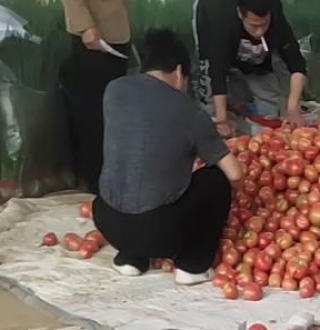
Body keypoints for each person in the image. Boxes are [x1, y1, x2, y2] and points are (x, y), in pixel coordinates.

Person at [94, 28, 241, 284]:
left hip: (106, 220)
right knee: (215, 180)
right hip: (159, 233)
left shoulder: (113, 90)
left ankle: (131, 258)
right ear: (179, 72)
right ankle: (193, 267)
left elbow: (141, 140)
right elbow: (236, 173)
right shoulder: (189, 111)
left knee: (130, 165)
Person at [195, 0, 307, 136]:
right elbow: (216, 71)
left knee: (270, 107)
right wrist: (221, 119)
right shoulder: (221, 20)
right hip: (211, 17)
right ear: (240, 14)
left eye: (264, 25)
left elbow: (297, 63)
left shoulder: (275, 14)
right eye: (254, 26)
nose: (259, 32)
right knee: (213, 113)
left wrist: (293, 107)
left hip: (253, 53)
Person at [60, 0, 132, 194]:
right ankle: (95, 180)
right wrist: (85, 26)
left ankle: (111, 176)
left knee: (114, 111)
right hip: (93, 36)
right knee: (93, 113)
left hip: (116, 32)